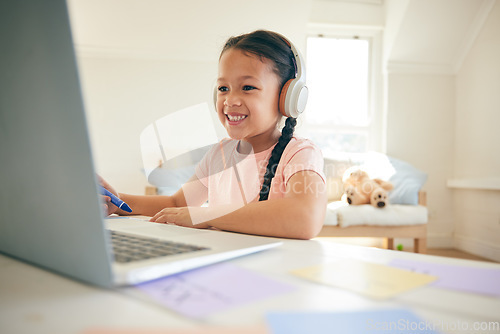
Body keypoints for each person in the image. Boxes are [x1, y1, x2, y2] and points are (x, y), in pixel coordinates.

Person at [101, 30, 327, 239]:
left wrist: (205, 216)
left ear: (287, 97)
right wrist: (116, 201)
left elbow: (305, 217)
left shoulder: (299, 153)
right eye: (223, 88)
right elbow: (177, 202)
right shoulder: (219, 153)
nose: (230, 100)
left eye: (247, 87)